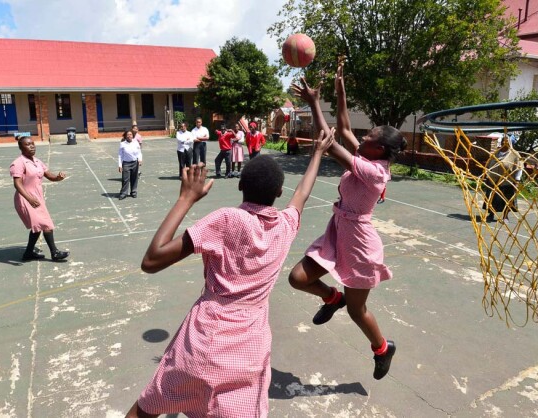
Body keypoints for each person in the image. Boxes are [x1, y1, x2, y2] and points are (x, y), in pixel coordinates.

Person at [125, 130, 336, 418]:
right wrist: (317, 154)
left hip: (201, 338)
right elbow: (301, 194)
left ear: (240, 186)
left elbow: (152, 260)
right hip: (248, 349)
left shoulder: (227, 219)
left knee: (147, 409)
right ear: (278, 192)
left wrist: (186, 199)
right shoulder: (286, 226)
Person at [286, 62, 406, 380]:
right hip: (338, 231)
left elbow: (330, 138)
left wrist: (313, 102)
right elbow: (344, 128)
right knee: (298, 278)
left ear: (378, 148)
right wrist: (340, 91)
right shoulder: (369, 156)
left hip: (360, 246)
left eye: (367, 138)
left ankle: (382, 348)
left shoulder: (374, 171)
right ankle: (330, 296)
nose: (360, 139)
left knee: (357, 311)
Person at [10, 136, 69, 262]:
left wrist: (58, 177)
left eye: (33, 144)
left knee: (37, 227)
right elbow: (17, 184)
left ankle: (28, 253)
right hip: (25, 198)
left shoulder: (37, 161)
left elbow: (49, 176)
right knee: (46, 224)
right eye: (28, 144)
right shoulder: (18, 163)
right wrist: (29, 199)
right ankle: (55, 253)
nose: (32, 146)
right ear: (21, 147)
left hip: (37, 198)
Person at [484, 134, 523, 223]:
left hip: (507, 181)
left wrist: (517, 181)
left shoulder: (515, 154)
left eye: (506, 141)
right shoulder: (496, 153)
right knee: (492, 198)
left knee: (506, 200)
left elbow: (519, 169)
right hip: (494, 180)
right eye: (502, 141)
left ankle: (505, 217)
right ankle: (491, 214)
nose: (504, 143)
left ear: (510, 143)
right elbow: (489, 165)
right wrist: (487, 177)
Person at [118, 129, 143, 199]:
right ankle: (124, 193)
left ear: (133, 136)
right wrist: (120, 165)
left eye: (131, 134)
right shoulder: (122, 144)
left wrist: (140, 159)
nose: (129, 136)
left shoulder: (136, 143)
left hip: (135, 163)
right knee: (125, 179)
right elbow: (120, 155)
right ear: (125, 136)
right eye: (128, 134)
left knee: (134, 178)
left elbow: (139, 152)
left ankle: (133, 192)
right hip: (126, 163)